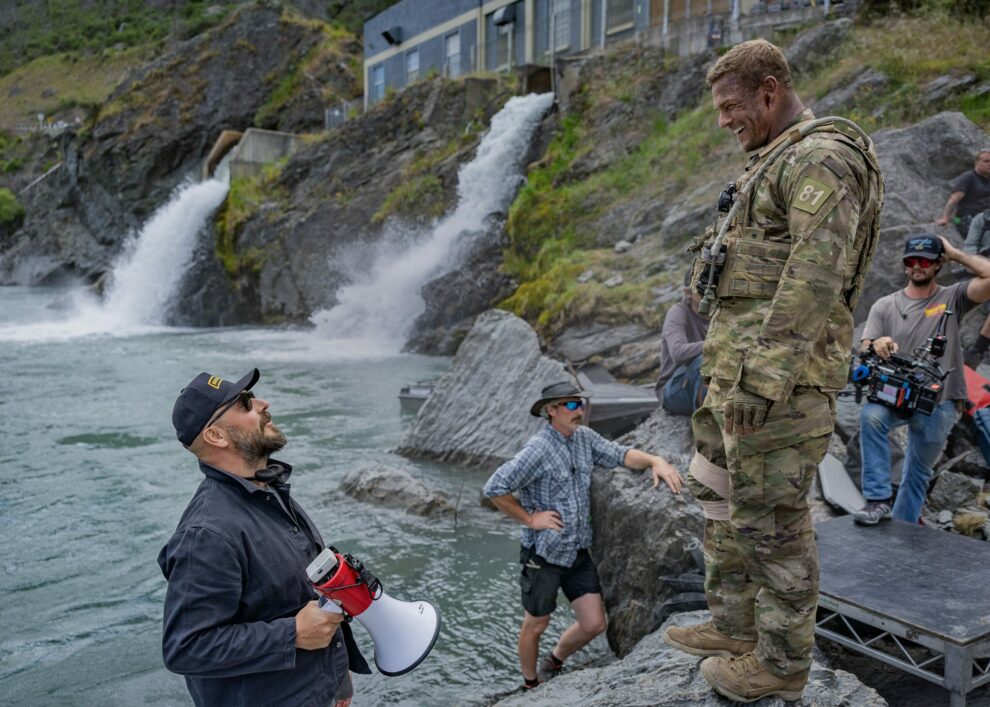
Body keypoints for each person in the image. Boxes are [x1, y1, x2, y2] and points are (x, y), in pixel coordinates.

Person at [663, 39, 884, 703]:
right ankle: (735, 626)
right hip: (734, 373)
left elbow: (815, 276)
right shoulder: (773, 158)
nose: (723, 120)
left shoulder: (821, 156)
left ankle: (783, 664)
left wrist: (763, 376)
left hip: (779, 384)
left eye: (731, 106)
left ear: (770, 91)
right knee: (718, 494)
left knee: (773, 519)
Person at [158, 368, 370, 707]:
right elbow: (186, 647)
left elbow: (306, 598)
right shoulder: (206, 535)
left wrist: (338, 682)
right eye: (244, 403)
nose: (262, 403)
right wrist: (292, 634)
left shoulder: (267, 490)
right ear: (215, 436)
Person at [483, 380, 683, 691]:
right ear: (552, 410)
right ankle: (529, 685)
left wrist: (655, 461)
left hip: (577, 550)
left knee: (594, 623)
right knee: (536, 624)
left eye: (582, 403)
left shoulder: (584, 438)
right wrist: (530, 519)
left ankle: (555, 659)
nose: (580, 410)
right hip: (544, 554)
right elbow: (495, 487)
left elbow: (621, 455)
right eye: (573, 405)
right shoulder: (537, 449)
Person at [853, 235, 990, 526]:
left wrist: (956, 253)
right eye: (911, 260)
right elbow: (864, 346)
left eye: (925, 260)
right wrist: (877, 343)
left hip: (940, 399)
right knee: (871, 417)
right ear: (905, 264)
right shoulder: (885, 305)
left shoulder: (953, 298)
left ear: (938, 264)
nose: (917, 266)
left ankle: (903, 529)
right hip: (894, 394)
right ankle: (877, 499)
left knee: (918, 470)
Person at [655, 269, 710, 415]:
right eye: (703, 288)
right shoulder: (678, 312)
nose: (710, 292)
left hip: (696, 381)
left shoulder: (720, 315)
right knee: (705, 360)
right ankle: (705, 421)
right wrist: (714, 344)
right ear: (688, 292)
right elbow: (678, 352)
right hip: (673, 388)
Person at [936, 148, 990, 238]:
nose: (989, 164)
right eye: (986, 161)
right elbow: (954, 199)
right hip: (966, 218)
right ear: (977, 162)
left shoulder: (988, 180)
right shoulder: (968, 177)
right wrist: (945, 217)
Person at [963, 208, 990, 367]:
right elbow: (969, 250)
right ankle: (977, 350)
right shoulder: (982, 219)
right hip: (979, 271)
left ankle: (978, 350)